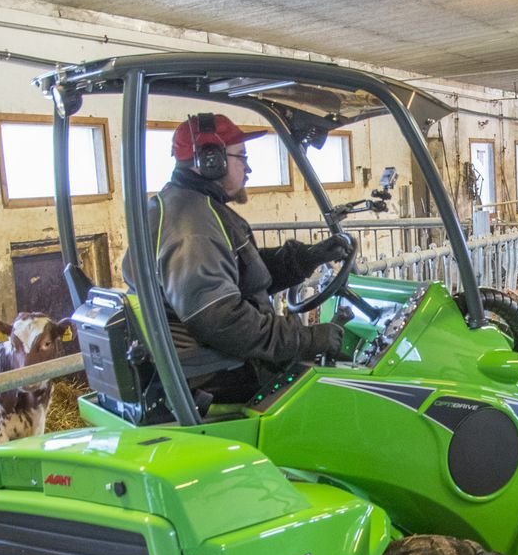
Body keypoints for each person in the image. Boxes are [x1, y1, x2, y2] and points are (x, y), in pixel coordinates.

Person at [126, 113, 353, 403]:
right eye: (242, 157)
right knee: (345, 391)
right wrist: (305, 339)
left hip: (209, 365)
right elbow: (222, 320)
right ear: (211, 161)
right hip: (218, 376)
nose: (248, 168)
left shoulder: (181, 205)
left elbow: (237, 274)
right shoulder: (192, 227)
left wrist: (304, 259)